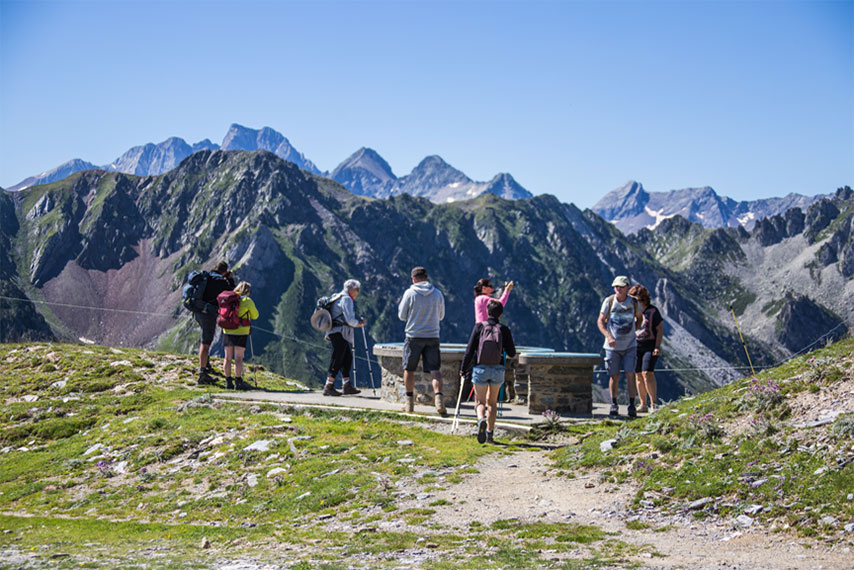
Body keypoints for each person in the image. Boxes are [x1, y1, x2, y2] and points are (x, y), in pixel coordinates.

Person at [460, 299, 516, 444]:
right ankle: (490, 434)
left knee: (479, 401)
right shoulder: (504, 329)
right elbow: (512, 352)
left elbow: (469, 350)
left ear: (487, 312)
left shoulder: (479, 327)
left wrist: (463, 368)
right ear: (500, 314)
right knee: (492, 402)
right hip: (497, 369)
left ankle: (480, 420)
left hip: (480, 369)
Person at [398, 266, 446, 415]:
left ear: (413, 278)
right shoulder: (437, 293)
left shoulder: (410, 293)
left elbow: (401, 315)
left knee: (409, 369)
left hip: (413, 336)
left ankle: (409, 404)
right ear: (426, 277)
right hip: (432, 336)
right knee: (435, 370)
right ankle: (439, 401)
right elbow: (441, 316)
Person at [597, 275, 642, 418]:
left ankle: (631, 405)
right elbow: (600, 321)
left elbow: (640, 317)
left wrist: (635, 330)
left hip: (630, 345)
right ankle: (614, 404)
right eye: (616, 286)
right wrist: (608, 336)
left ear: (627, 287)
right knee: (614, 376)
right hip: (612, 347)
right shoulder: (609, 301)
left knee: (630, 374)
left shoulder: (634, 303)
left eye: (621, 286)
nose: (618, 289)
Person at [323, 279, 366, 396]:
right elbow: (350, 320)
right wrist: (360, 323)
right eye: (357, 289)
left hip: (333, 331)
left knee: (346, 357)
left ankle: (346, 385)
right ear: (351, 289)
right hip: (339, 332)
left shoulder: (337, 296)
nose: (358, 292)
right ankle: (329, 386)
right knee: (337, 357)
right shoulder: (346, 299)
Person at [195, 261, 234, 385]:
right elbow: (231, 293)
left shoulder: (207, 276)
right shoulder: (221, 282)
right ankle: (202, 374)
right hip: (208, 314)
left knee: (205, 338)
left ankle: (206, 365)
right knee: (206, 343)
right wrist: (230, 279)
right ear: (224, 271)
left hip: (197, 311)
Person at [629, 284, 663, 413]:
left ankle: (654, 404)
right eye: (636, 300)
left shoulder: (653, 311)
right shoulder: (631, 312)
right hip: (636, 345)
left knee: (647, 373)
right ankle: (643, 404)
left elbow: (659, 329)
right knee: (638, 375)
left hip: (650, 345)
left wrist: (657, 346)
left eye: (640, 299)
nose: (639, 302)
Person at [222, 281, 259, 390]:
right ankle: (238, 382)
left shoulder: (229, 299)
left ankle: (228, 382)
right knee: (238, 358)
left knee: (227, 358)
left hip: (227, 330)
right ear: (247, 291)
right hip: (241, 331)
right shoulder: (247, 300)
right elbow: (255, 315)